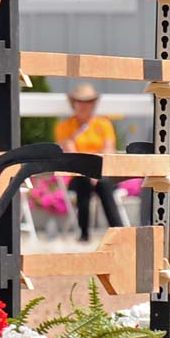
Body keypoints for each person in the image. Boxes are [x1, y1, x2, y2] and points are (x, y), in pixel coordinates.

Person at [54, 82, 123, 242]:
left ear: (93, 103)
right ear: (74, 103)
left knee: (103, 183)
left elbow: (109, 150)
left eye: (88, 101)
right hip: (78, 174)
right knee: (84, 182)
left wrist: (95, 169)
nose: (83, 105)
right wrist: (91, 167)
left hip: (103, 173)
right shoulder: (65, 126)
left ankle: (118, 231)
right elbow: (72, 154)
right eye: (80, 101)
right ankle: (85, 234)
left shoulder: (104, 124)